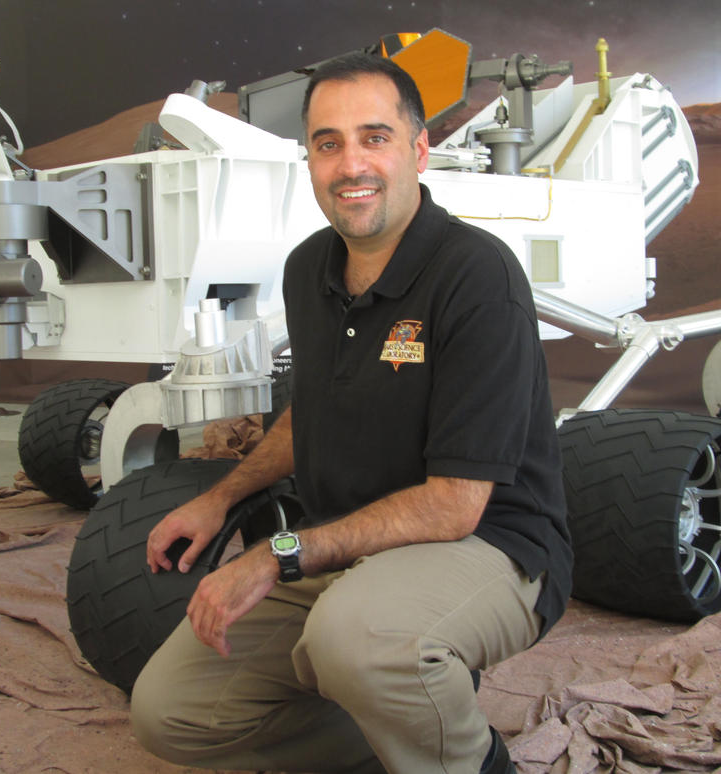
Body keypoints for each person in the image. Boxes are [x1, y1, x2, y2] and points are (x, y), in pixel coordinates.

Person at [131, 51, 572, 774]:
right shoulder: (310, 268)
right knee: (172, 714)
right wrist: (221, 498)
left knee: (359, 638)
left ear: (420, 150)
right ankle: (393, 731)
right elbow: (314, 413)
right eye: (328, 144)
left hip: (493, 550)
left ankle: (470, 761)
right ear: (308, 160)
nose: (350, 165)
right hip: (343, 547)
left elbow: (455, 508)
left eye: (375, 138)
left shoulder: (477, 275)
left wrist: (276, 555)